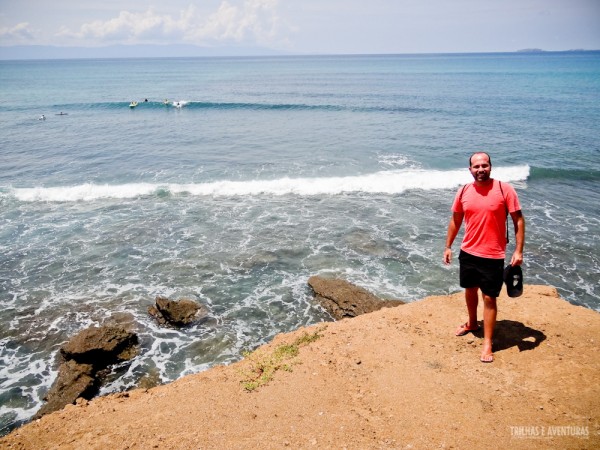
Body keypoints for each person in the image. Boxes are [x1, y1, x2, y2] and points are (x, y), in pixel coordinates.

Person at [443, 152, 525, 363]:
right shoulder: (464, 191)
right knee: (470, 290)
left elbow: (518, 220)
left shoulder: (503, 189)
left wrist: (518, 250)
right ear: (470, 169)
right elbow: (456, 219)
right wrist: (448, 246)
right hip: (468, 252)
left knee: (489, 297)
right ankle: (472, 323)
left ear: (491, 167)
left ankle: (487, 342)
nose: (480, 169)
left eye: (484, 165)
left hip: (493, 254)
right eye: (476, 166)